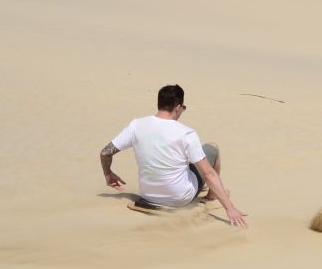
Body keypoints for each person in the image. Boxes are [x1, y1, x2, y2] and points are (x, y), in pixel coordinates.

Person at [99, 84, 247, 228]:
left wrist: (108, 174)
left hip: (148, 195)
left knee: (183, 160)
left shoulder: (136, 125)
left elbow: (105, 152)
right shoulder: (186, 133)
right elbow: (208, 174)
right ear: (177, 107)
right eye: (182, 108)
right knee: (212, 148)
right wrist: (230, 208)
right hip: (180, 198)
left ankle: (206, 190)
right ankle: (211, 196)